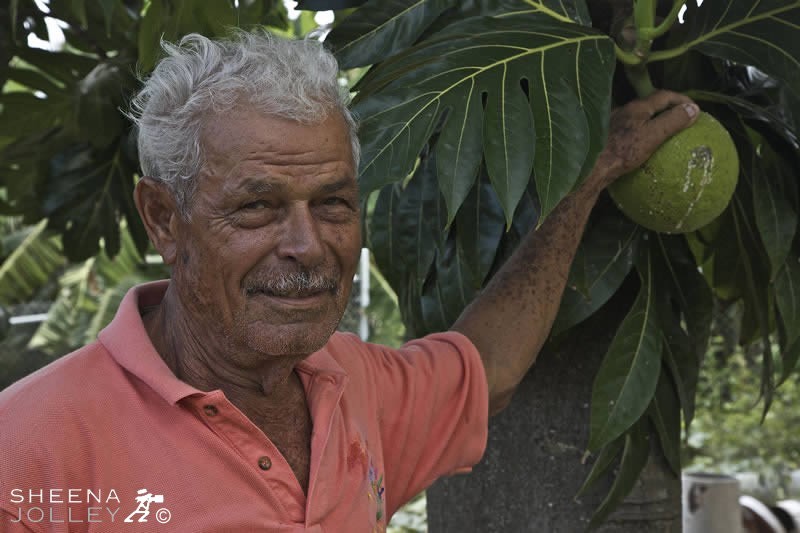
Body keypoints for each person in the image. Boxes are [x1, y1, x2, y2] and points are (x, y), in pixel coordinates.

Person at [0, 30, 699, 532]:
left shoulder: (349, 384)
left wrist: (586, 180)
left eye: (332, 202)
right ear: (163, 218)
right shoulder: (31, 453)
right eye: (257, 207)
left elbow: (490, 366)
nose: (308, 246)